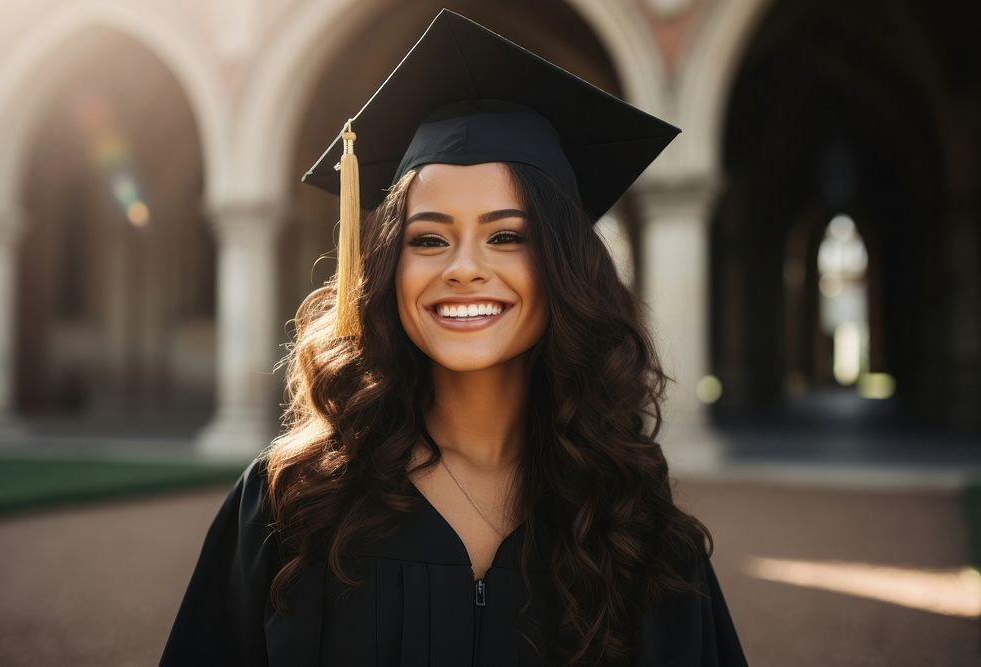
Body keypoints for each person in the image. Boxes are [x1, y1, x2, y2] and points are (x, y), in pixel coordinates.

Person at [161, 9, 748, 666]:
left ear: (563, 268)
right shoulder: (294, 504)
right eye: (429, 239)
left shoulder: (629, 520)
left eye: (506, 235)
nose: (464, 266)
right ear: (387, 268)